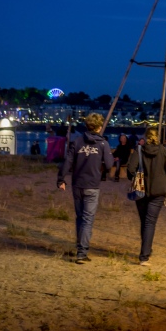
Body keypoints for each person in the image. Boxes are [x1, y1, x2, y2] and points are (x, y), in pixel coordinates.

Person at [57, 112, 113, 264]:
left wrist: (60, 179)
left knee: (80, 217)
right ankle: (82, 252)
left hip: (77, 184)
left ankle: (79, 246)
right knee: (88, 219)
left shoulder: (77, 141)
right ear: (100, 127)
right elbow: (109, 165)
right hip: (92, 185)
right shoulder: (103, 143)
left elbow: (67, 162)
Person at [127, 124, 166, 265]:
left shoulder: (139, 150)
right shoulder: (164, 151)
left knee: (145, 221)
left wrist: (136, 177)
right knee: (150, 222)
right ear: (157, 137)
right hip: (158, 191)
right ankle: (144, 255)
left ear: (146, 137)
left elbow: (130, 169)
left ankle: (146, 249)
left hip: (141, 190)